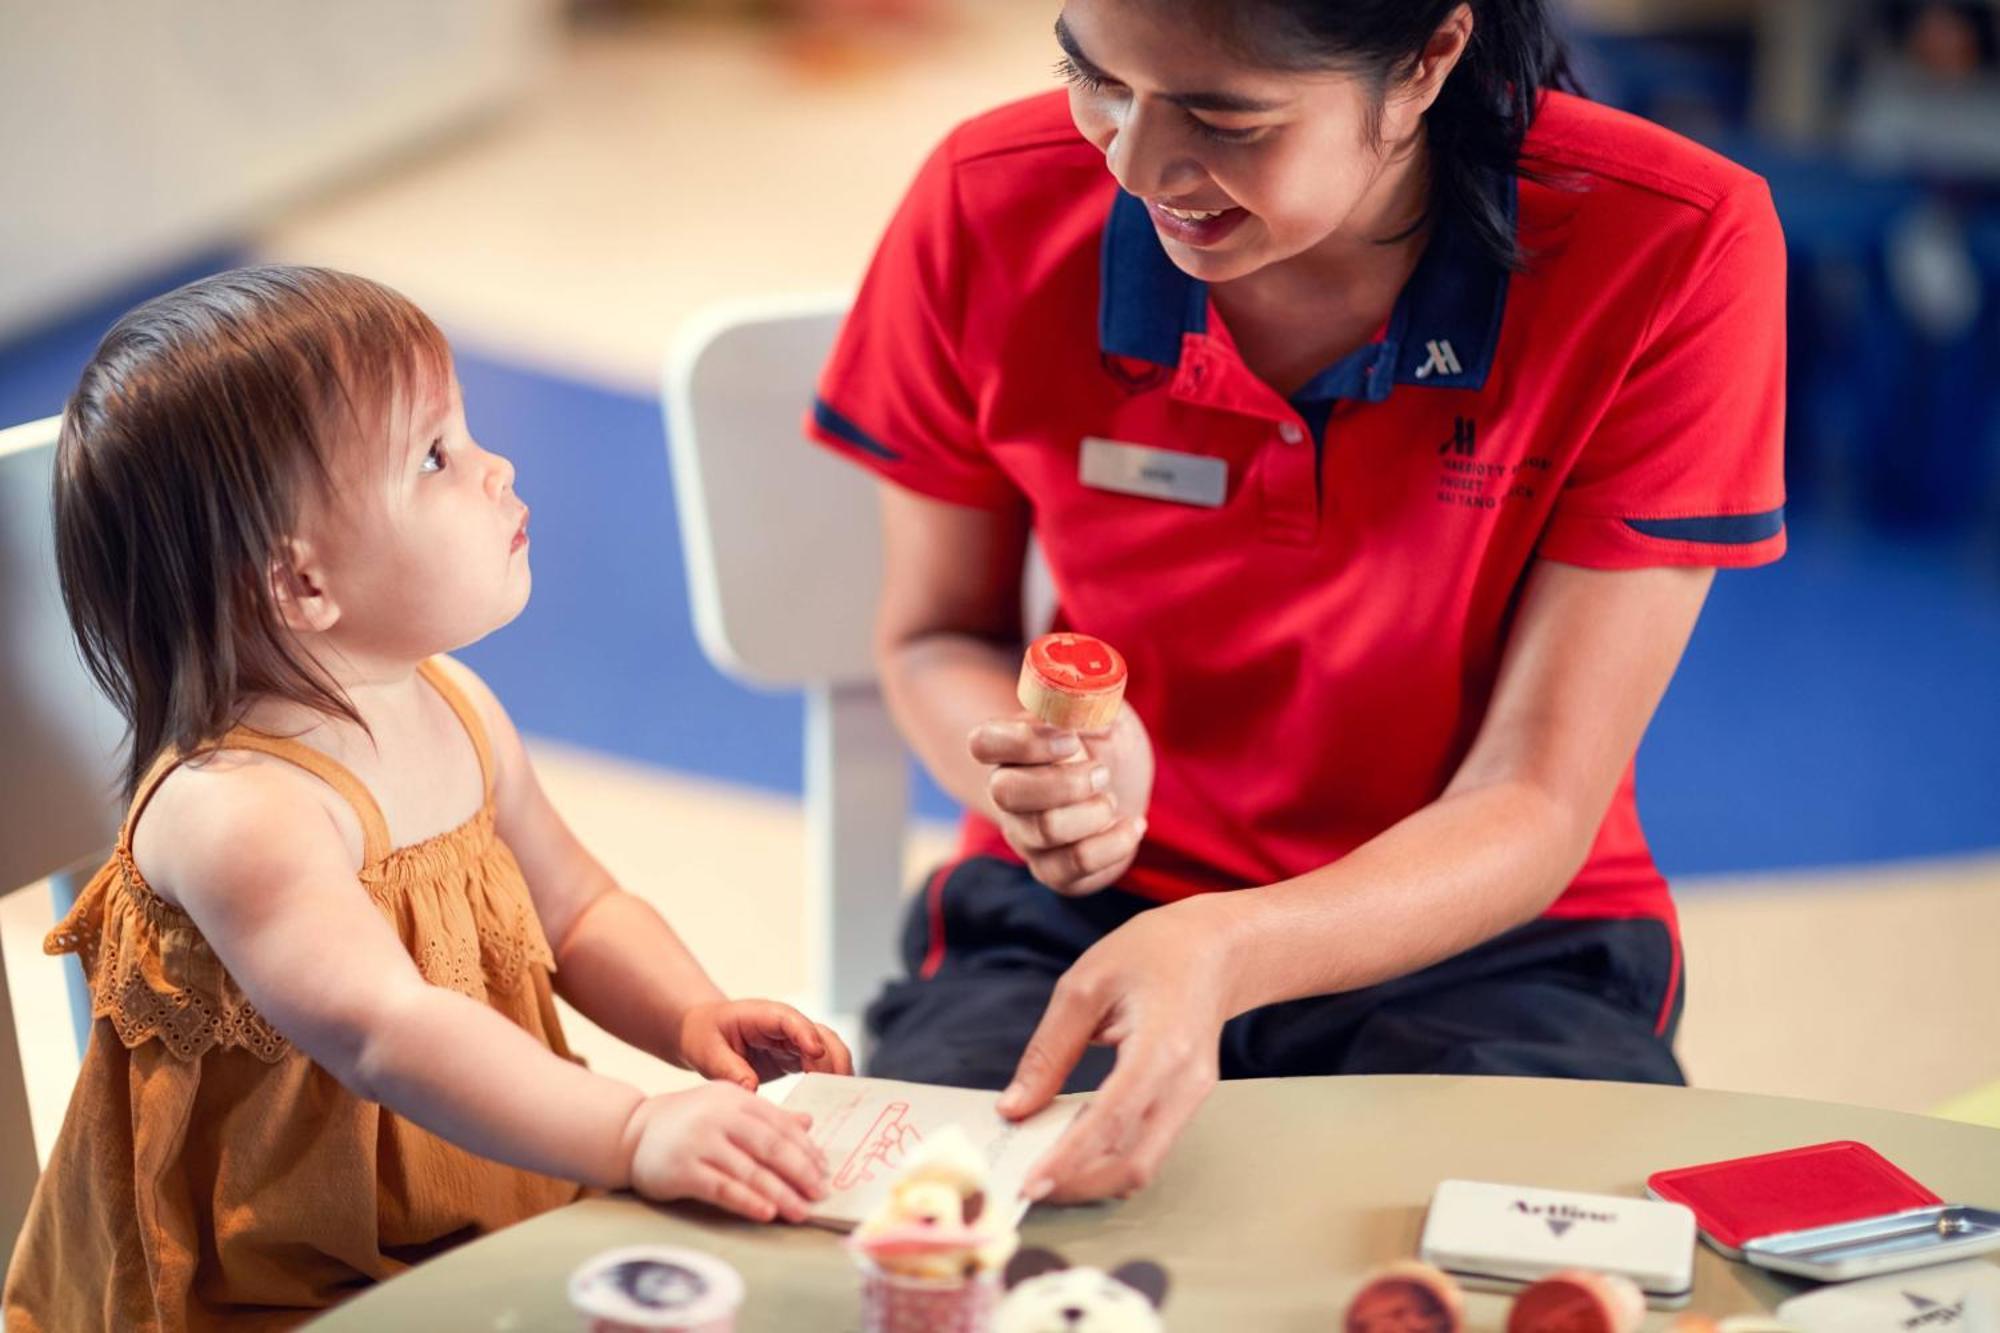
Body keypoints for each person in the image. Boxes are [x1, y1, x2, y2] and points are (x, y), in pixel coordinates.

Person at [806, 0, 1787, 1202]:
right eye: (1092, 77)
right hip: (1085, 918)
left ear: (1429, 58)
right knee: (938, 1242)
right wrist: (1049, 788)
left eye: (1225, 116)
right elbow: (933, 634)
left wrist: (1229, 945)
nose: (1131, 162)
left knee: (1519, 1271)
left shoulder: (1671, 244)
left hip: (1487, 940)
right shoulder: (986, 196)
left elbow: (1534, 793)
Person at [4, 266, 850, 1332]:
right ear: (303, 584)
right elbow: (388, 1030)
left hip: (489, 1198)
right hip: (288, 1276)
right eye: (436, 456)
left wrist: (687, 1013)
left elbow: (580, 905)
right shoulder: (239, 813)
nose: (496, 468)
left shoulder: (453, 706)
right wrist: (634, 1130)